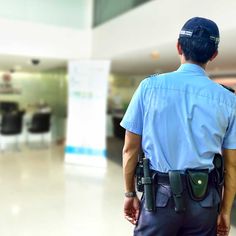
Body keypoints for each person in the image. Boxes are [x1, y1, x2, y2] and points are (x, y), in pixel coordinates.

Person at [120, 17, 236, 236]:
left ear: (178, 47)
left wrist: (129, 194)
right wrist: (225, 210)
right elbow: (232, 165)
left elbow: (129, 149)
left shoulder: (149, 88)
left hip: (158, 200)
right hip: (205, 202)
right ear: (214, 55)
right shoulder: (228, 100)